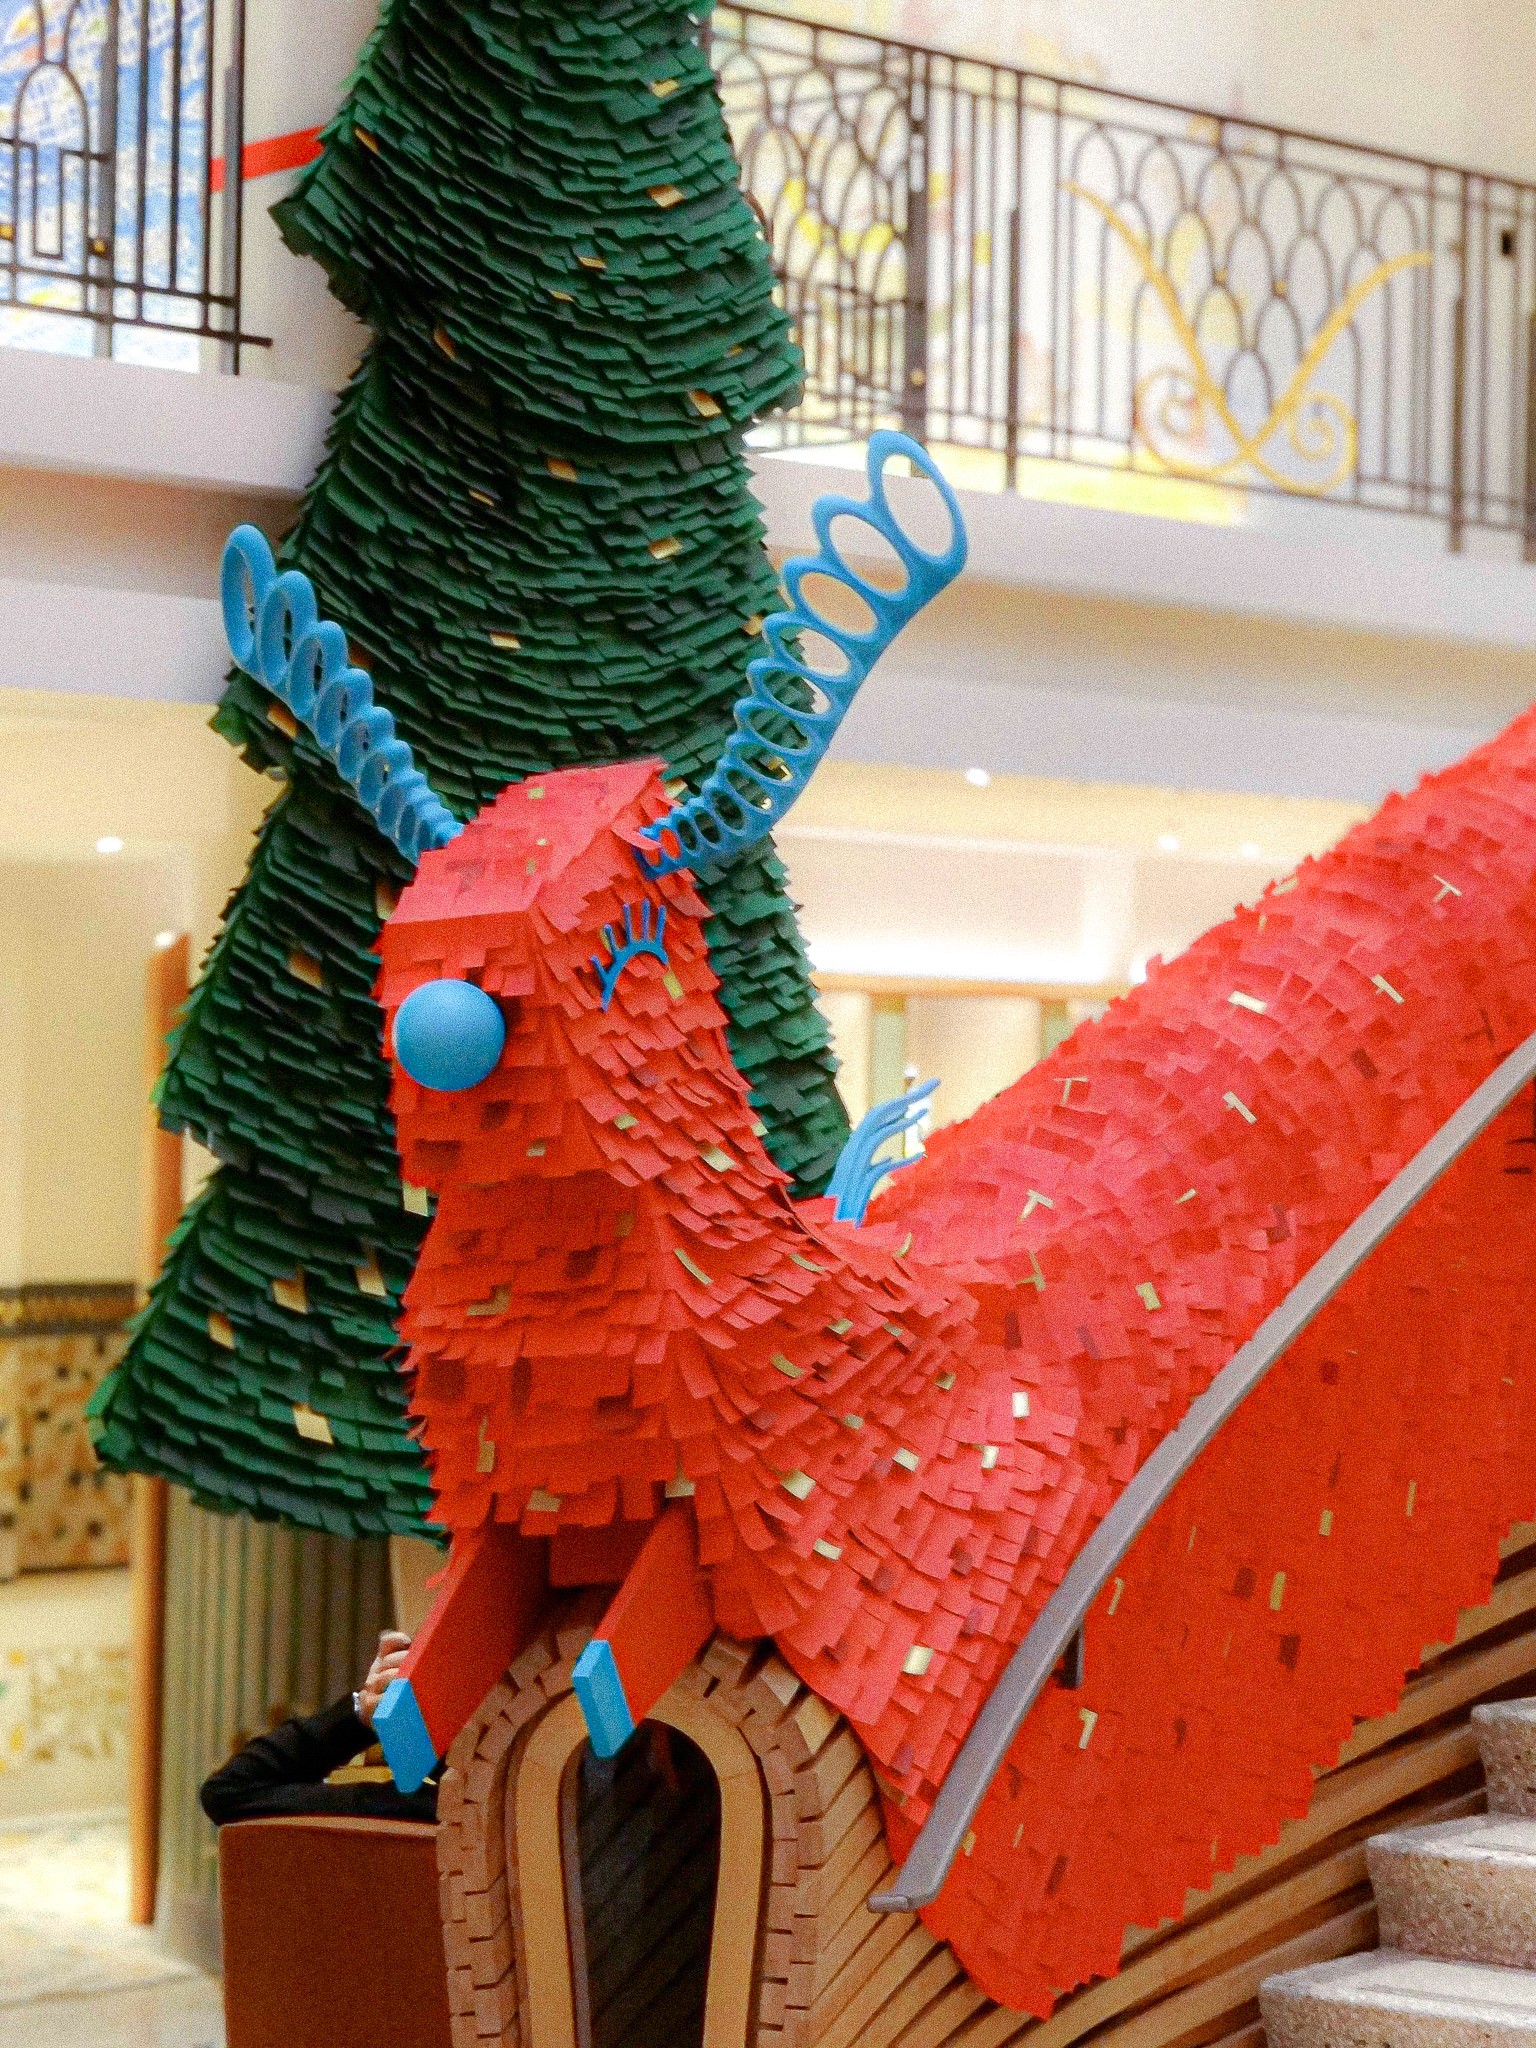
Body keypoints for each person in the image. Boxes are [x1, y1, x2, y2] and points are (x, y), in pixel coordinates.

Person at [200, 1630, 438, 1825]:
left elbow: (229, 1791)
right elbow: (228, 1792)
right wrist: (363, 1710)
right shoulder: (434, 1803)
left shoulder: (440, 1808)